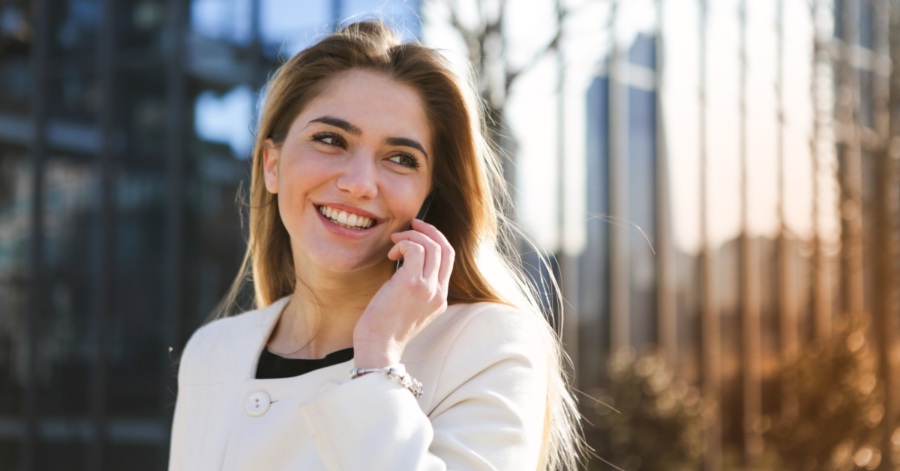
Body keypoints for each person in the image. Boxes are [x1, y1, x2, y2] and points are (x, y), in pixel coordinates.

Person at [168, 19, 584, 471]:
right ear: (271, 164)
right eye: (330, 139)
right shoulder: (212, 353)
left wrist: (377, 360)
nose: (361, 184)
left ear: (428, 196)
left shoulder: (488, 344)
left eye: (401, 159)